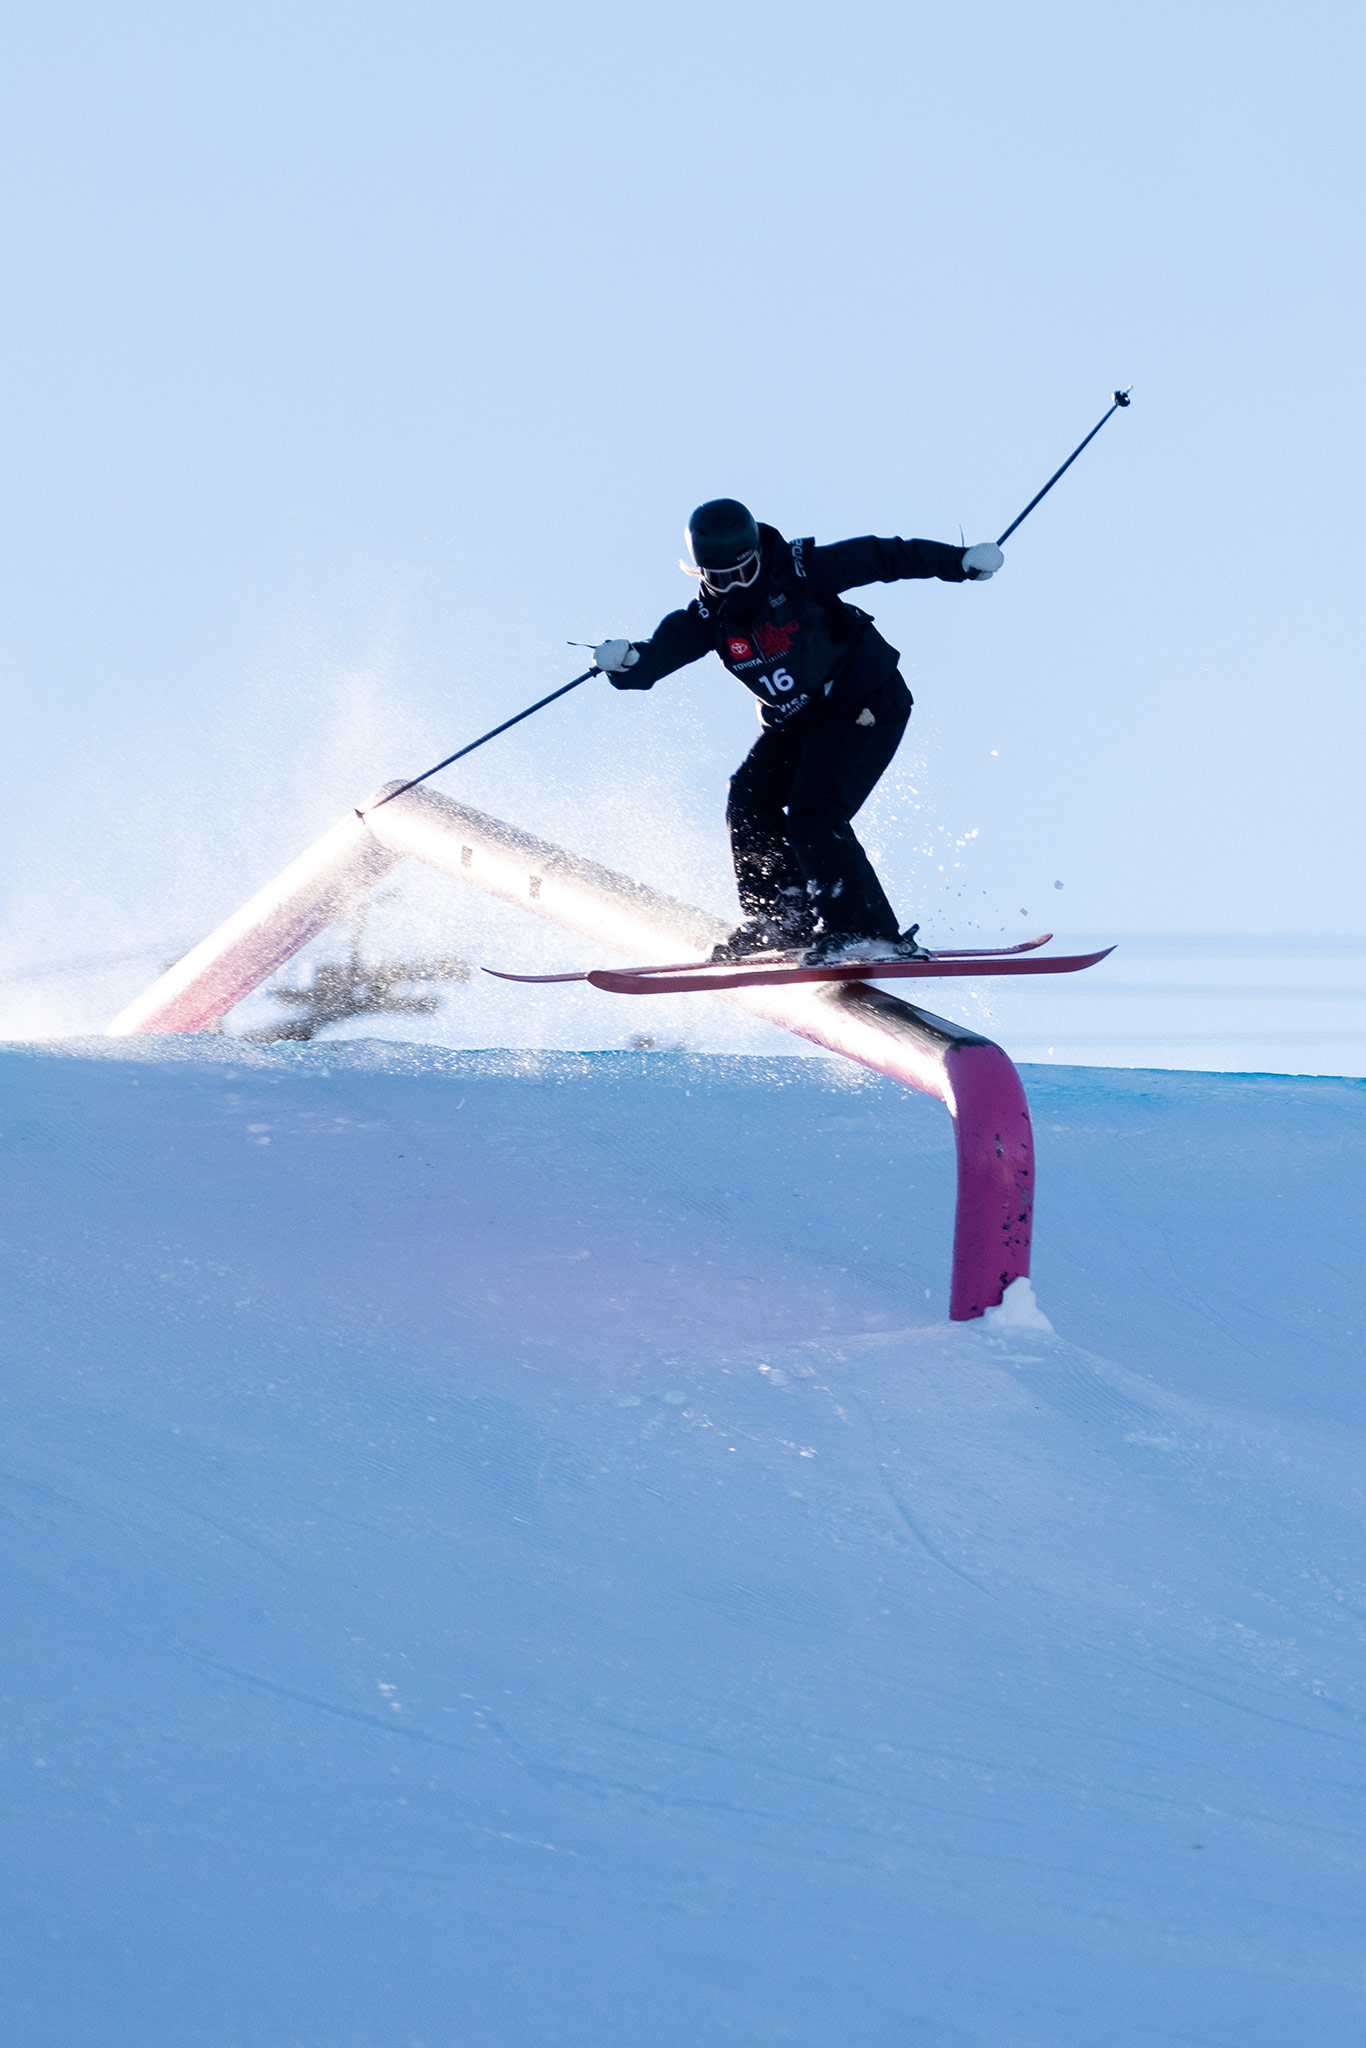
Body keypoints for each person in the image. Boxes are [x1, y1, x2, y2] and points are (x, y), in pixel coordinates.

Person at [593, 499, 1003, 964]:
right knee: (748, 798)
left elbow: (884, 556)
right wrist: (626, 662)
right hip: (799, 722)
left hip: (864, 705)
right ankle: (782, 918)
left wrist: (958, 562)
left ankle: (869, 929)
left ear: (758, 558)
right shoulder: (708, 619)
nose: (733, 587)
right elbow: (654, 661)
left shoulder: (802, 571)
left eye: (743, 574)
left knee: (814, 813)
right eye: (718, 578)